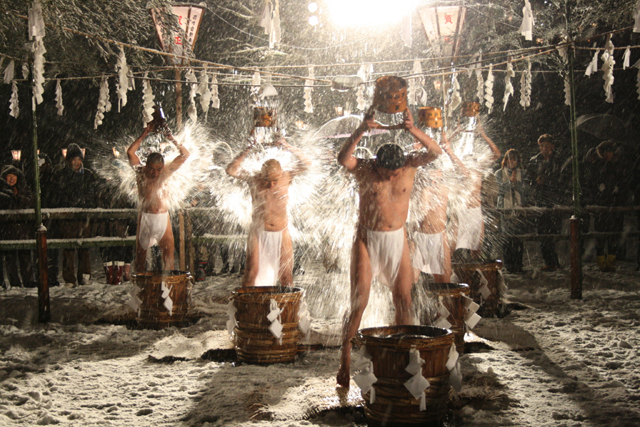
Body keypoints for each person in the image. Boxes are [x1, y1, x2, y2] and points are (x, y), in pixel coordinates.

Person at [336, 107, 442, 388]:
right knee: (358, 304)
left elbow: (435, 152)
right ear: (377, 164)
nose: (392, 178)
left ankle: (402, 361)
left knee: (404, 302)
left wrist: (412, 129)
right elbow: (341, 158)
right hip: (367, 240)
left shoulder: (409, 165)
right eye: (387, 173)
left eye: (395, 174)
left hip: (397, 239)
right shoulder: (365, 169)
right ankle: (344, 362)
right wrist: (361, 130)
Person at [225, 136, 310, 287]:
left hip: (281, 232)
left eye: (275, 181)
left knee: (286, 278)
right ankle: (248, 309)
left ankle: (287, 310)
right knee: (251, 275)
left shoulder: (288, 176)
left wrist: (288, 146)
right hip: (258, 232)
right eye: (267, 181)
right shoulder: (253, 178)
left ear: (281, 173)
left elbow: (307, 163)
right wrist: (247, 149)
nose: (271, 185)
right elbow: (230, 170)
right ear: (261, 174)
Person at [127, 116, 190, 274]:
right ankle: (141, 294)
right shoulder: (140, 172)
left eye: (158, 169)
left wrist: (172, 139)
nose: (155, 173)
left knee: (169, 256)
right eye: (152, 169)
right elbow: (130, 152)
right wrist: (144, 134)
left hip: (162, 217)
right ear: (146, 165)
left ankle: (168, 294)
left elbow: (185, 154)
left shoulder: (166, 172)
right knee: (140, 258)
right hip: (146, 218)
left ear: (162, 167)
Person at [411, 132, 461, 283]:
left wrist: (448, 149)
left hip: (439, 237)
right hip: (418, 236)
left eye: (436, 170)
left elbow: (463, 173)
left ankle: (445, 306)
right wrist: (417, 149)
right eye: (429, 170)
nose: (433, 173)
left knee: (444, 284)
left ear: (440, 172)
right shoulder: (417, 183)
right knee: (411, 284)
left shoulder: (445, 183)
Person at [451, 121, 501, 260]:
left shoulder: (478, 168)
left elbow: (496, 154)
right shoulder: (459, 169)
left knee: (477, 250)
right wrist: (455, 133)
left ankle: (475, 276)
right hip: (461, 212)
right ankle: (454, 276)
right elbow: (445, 149)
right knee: (453, 249)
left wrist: (483, 134)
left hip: (475, 211)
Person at [54, 143, 97, 287]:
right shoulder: (62, 175)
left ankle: (84, 275)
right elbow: (60, 195)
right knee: (68, 249)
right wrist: (72, 204)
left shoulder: (88, 175)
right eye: (74, 159)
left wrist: (85, 205)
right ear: (69, 161)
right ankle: (69, 278)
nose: (77, 162)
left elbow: (92, 194)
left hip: (84, 216)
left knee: (84, 247)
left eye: (79, 159)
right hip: (68, 217)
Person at [525, 134, 565, 271]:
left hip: (554, 200)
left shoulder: (559, 161)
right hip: (540, 200)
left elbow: (562, 180)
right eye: (542, 146)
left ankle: (555, 261)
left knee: (555, 232)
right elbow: (527, 179)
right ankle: (549, 261)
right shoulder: (534, 161)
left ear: (552, 147)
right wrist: (535, 181)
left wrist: (547, 181)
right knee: (542, 232)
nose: (544, 149)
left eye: (547, 146)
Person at [591, 141, 627, 271]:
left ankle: (611, 262)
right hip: (601, 205)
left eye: (609, 152)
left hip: (614, 204)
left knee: (613, 235)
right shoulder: (598, 166)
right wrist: (599, 188)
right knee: (600, 235)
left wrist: (617, 189)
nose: (607, 154)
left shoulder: (618, 166)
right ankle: (601, 262)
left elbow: (624, 182)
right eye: (604, 152)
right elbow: (592, 181)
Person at [1, 165, 36, 288]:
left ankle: (28, 281)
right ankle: (15, 282)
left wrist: (19, 197)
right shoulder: (2, 191)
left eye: (13, 176)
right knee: (10, 258)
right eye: (9, 176)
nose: (11, 179)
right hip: (8, 229)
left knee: (25, 256)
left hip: (23, 228)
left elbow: (31, 201)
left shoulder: (23, 188)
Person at [495, 149, 526, 273]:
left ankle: (518, 264)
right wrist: (510, 183)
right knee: (507, 238)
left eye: (514, 159)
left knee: (518, 239)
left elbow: (526, 190)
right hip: (505, 209)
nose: (511, 162)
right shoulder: (499, 173)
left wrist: (516, 183)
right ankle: (509, 265)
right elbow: (498, 190)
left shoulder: (523, 173)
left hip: (518, 209)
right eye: (509, 159)